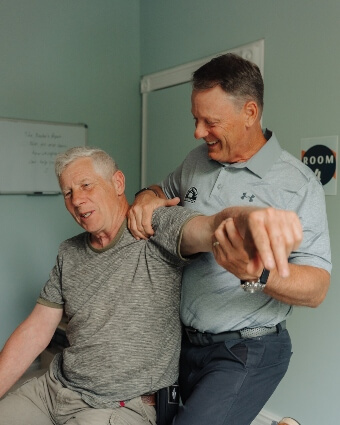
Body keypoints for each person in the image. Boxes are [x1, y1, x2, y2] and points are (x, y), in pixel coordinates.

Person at [0, 146, 302, 425]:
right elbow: (36, 329)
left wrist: (252, 220)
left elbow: (210, 228)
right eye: (67, 192)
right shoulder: (69, 252)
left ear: (118, 183)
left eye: (86, 185)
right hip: (55, 388)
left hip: (116, 406)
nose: (77, 200)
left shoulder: (155, 228)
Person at [128, 53, 332, 425]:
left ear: (250, 113)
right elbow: (163, 188)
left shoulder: (298, 185)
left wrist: (258, 274)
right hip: (183, 342)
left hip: (247, 348)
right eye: (195, 119)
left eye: (210, 122)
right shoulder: (197, 161)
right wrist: (146, 196)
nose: (197, 131)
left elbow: (317, 288)